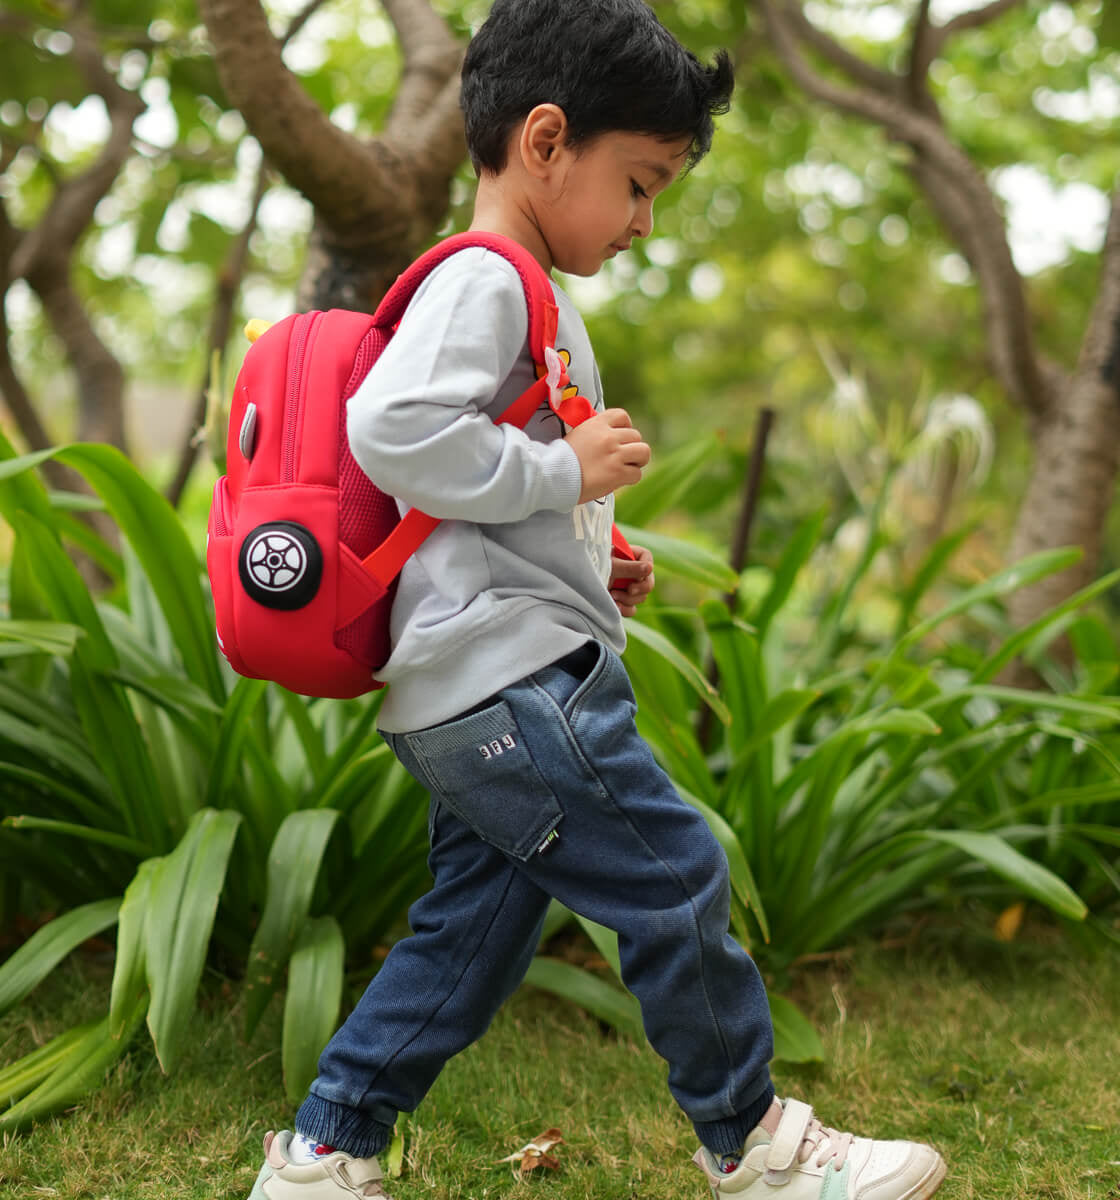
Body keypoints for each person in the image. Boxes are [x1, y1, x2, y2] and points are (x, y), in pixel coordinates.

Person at [247, 1, 948, 1197]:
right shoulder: (488, 277)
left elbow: (465, 483)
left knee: (469, 938)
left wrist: (587, 546)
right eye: (639, 182)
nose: (643, 220)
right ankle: (756, 1146)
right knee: (678, 880)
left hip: (473, 685)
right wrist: (560, 473)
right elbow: (394, 428)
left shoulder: (515, 288)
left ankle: (326, 1153)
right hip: (515, 686)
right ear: (546, 140)